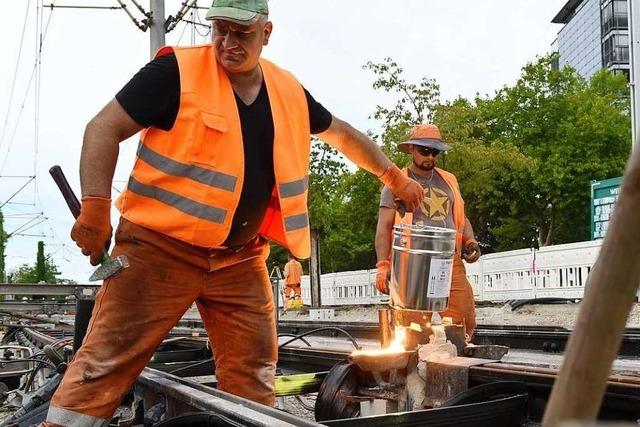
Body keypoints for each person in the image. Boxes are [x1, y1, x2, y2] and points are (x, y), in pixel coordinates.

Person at [43, 0, 424, 425]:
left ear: (267, 32)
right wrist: (95, 206)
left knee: (254, 374)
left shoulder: (287, 92)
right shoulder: (176, 73)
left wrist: (394, 177)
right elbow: (102, 128)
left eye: (240, 32)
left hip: (239, 260)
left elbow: (342, 134)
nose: (227, 42)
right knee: (105, 363)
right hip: (158, 253)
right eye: (219, 30)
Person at [374, 124, 480, 337]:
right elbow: (384, 227)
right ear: (411, 148)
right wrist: (383, 265)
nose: (430, 156)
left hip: (449, 257)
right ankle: (413, 361)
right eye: (424, 151)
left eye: (435, 152)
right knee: (412, 321)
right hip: (412, 260)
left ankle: (456, 353)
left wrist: (470, 241)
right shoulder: (396, 183)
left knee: (463, 313)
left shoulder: (449, 180)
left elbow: (459, 216)